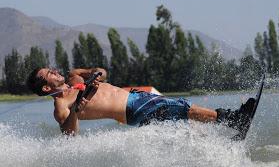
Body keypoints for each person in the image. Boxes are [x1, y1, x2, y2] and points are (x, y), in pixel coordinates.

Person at [26, 67, 255, 138]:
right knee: (181, 108)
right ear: (46, 88)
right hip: (130, 110)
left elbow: (103, 72)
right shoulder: (60, 107)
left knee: (181, 116)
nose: (55, 71)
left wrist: (93, 75)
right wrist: (77, 109)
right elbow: (70, 134)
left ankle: (225, 130)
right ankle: (233, 119)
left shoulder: (75, 76)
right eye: (49, 73)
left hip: (136, 98)